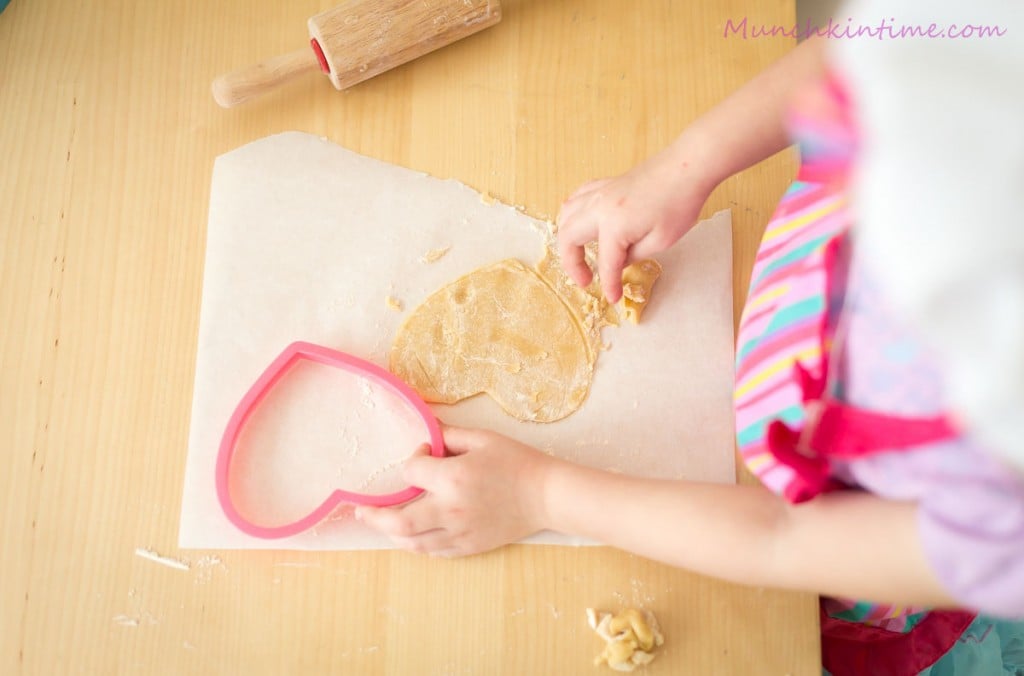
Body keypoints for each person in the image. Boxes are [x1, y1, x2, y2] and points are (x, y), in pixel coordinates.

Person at [358, 2, 1024, 672]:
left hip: (845, 543)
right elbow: (877, 43)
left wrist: (541, 495)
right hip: (789, 348)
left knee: (778, 638)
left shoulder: (1000, 522)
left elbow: (781, 539)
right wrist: (688, 163)